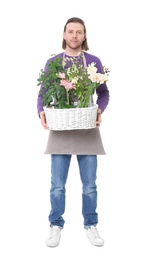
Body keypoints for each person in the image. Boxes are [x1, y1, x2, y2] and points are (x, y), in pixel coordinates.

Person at [37, 17, 110, 247]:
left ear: (84, 35)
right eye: (71, 32)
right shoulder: (54, 63)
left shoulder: (94, 62)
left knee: (90, 185)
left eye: (79, 32)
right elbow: (42, 92)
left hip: (87, 128)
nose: (75, 36)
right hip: (62, 127)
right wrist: (41, 111)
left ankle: (91, 225)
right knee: (57, 184)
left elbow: (104, 93)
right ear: (64, 34)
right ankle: (56, 225)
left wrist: (99, 109)